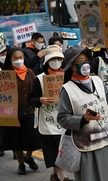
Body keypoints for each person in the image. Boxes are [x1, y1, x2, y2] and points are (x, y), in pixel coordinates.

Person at [57, 45, 108, 181]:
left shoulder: (97, 81)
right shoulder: (67, 89)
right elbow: (62, 118)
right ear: (71, 66)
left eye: (85, 60)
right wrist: (83, 119)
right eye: (79, 61)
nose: (84, 64)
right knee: (89, 176)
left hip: (106, 138)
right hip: (86, 143)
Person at [29, 45, 73, 181]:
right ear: (47, 61)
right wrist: (40, 100)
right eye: (53, 59)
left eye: (58, 59)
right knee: (54, 150)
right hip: (47, 120)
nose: (56, 61)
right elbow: (31, 99)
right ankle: (63, 177)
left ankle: (54, 175)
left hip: (63, 118)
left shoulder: (67, 76)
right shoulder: (39, 78)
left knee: (61, 148)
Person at [2, 47, 40, 175]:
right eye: (15, 58)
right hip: (13, 112)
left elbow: (35, 89)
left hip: (30, 110)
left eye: (21, 58)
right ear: (10, 59)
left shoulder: (29, 72)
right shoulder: (6, 74)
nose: (19, 60)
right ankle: (21, 163)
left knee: (32, 139)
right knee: (17, 140)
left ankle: (29, 157)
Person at [0, 34, 9, 157]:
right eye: (1, 54)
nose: (3, 56)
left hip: (11, 100)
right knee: (0, 124)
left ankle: (17, 151)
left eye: (5, 53)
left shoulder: (12, 66)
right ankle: (0, 146)